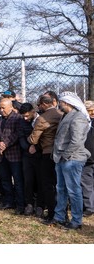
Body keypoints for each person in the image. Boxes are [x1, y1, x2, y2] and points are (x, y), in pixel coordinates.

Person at [45, 92, 91, 230]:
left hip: (72, 159)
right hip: (61, 158)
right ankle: (59, 217)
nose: (60, 105)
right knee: (61, 189)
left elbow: (76, 141)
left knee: (73, 190)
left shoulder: (78, 117)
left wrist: (66, 155)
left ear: (68, 103)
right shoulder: (67, 116)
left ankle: (76, 220)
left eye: (61, 103)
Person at [27, 95, 63, 220]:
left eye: (39, 105)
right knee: (59, 184)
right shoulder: (61, 114)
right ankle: (62, 212)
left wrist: (29, 140)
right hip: (61, 152)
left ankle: (52, 212)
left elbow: (33, 138)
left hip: (47, 152)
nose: (39, 107)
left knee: (47, 184)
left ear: (44, 104)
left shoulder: (42, 118)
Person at [0, 98, 24, 215]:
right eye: (0, 108)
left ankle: (20, 204)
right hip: (0, 155)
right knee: (4, 180)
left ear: (10, 107)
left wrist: (5, 144)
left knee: (18, 180)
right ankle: (8, 201)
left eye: (3, 108)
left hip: (14, 155)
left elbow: (17, 134)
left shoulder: (18, 118)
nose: (1, 110)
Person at [18, 103, 42, 216]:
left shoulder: (41, 119)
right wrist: (28, 148)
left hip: (40, 154)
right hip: (27, 155)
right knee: (28, 180)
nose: (25, 118)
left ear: (33, 111)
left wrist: (36, 147)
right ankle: (29, 204)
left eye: (27, 115)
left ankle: (41, 205)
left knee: (41, 180)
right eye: (23, 116)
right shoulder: (21, 122)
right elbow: (21, 137)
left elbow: (45, 136)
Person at [82, 100, 94, 217]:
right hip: (88, 158)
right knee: (87, 182)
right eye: (90, 111)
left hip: (88, 157)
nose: (92, 113)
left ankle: (89, 207)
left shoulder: (85, 123)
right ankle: (89, 206)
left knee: (87, 183)